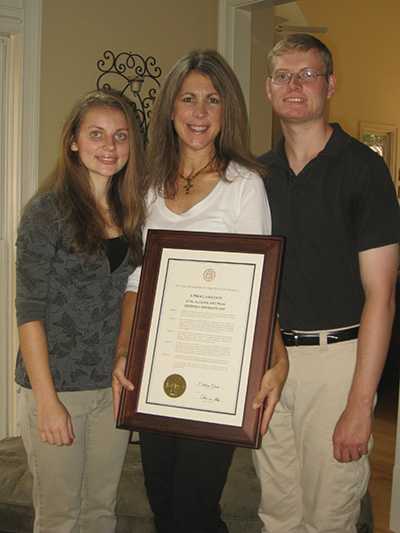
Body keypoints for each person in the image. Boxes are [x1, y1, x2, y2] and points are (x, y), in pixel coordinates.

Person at [112, 49, 289, 533]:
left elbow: (260, 284)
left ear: (226, 111)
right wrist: (125, 352)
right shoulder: (147, 186)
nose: (199, 112)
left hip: (217, 375)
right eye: (189, 99)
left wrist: (277, 360)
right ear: (171, 109)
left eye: (213, 100)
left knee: (195, 510)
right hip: (157, 369)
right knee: (163, 503)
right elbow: (136, 281)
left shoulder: (243, 185)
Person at [253, 33, 400, 533]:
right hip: (269, 364)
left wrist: (360, 405)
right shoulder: (254, 176)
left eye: (307, 74)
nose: (295, 85)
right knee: (277, 514)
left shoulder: (364, 170)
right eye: (283, 76)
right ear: (269, 89)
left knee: (330, 517)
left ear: (330, 84)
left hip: (337, 363)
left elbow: (382, 296)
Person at [15, 89, 145, 532]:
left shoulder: (132, 213)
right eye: (96, 134)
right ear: (73, 141)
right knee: (59, 516)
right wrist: (47, 401)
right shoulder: (46, 213)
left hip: (110, 386)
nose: (110, 147)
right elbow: (29, 312)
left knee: (100, 512)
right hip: (58, 387)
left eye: (120, 136)